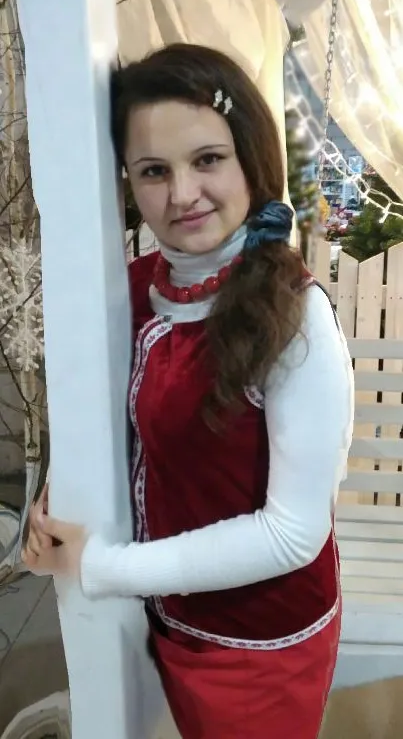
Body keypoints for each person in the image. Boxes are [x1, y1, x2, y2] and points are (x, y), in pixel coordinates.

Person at [23, 43, 354, 738]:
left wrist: (104, 565)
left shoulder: (295, 315)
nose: (180, 194)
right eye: (153, 170)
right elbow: (118, 423)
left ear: (249, 159)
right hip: (160, 616)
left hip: (257, 641)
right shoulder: (137, 288)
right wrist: (56, 499)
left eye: (206, 159)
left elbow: (293, 532)